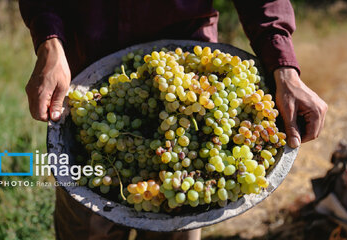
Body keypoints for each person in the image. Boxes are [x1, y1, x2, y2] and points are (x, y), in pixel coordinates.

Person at [19, 0, 328, 239]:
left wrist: (283, 65)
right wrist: (50, 42)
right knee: (83, 223)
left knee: (179, 219)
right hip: (86, 80)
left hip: (195, 63)